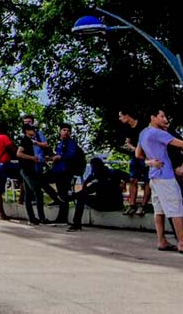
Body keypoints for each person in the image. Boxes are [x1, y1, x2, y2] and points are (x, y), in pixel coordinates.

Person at [136, 108, 183, 252]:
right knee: (176, 209)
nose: (164, 119)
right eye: (162, 116)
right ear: (153, 117)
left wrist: (149, 162)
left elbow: (138, 154)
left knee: (159, 211)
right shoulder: (158, 133)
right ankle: (182, 243)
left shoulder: (144, 132)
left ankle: (161, 241)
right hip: (166, 176)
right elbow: (181, 144)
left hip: (154, 176)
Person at [67, 158, 129, 231]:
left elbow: (84, 191)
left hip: (103, 205)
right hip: (117, 204)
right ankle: (76, 224)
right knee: (82, 195)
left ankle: (76, 224)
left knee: (81, 197)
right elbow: (130, 177)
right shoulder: (114, 172)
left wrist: (73, 195)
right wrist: (124, 184)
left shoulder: (97, 182)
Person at [118, 109, 151, 216]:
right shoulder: (126, 128)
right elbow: (128, 142)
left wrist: (134, 148)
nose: (120, 119)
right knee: (132, 179)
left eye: (121, 116)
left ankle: (143, 205)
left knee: (147, 180)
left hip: (145, 156)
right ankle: (132, 204)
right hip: (134, 157)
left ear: (127, 115)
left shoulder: (143, 126)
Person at [46, 124, 79, 224]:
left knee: (63, 194)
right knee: (41, 180)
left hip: (65, 171)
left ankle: (62, 217)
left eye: (68, 130)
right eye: (64, 130)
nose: (66, 132)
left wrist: (60, 157)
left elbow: (72, 155)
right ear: (60, 131)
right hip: (57, 170)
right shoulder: (60, 143)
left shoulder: (71, 143)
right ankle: (56, 198)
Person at [17, 124, 48, 225]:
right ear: (27, 131)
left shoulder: (29, 140)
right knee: (38, 192)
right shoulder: (25, 140)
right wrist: (32, 158)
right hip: (27, 170)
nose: (34, 131)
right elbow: (19, 153)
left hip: (28, 169)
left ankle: (32, 218)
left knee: (28, 194)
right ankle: (41, 217)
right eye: (31, 129)